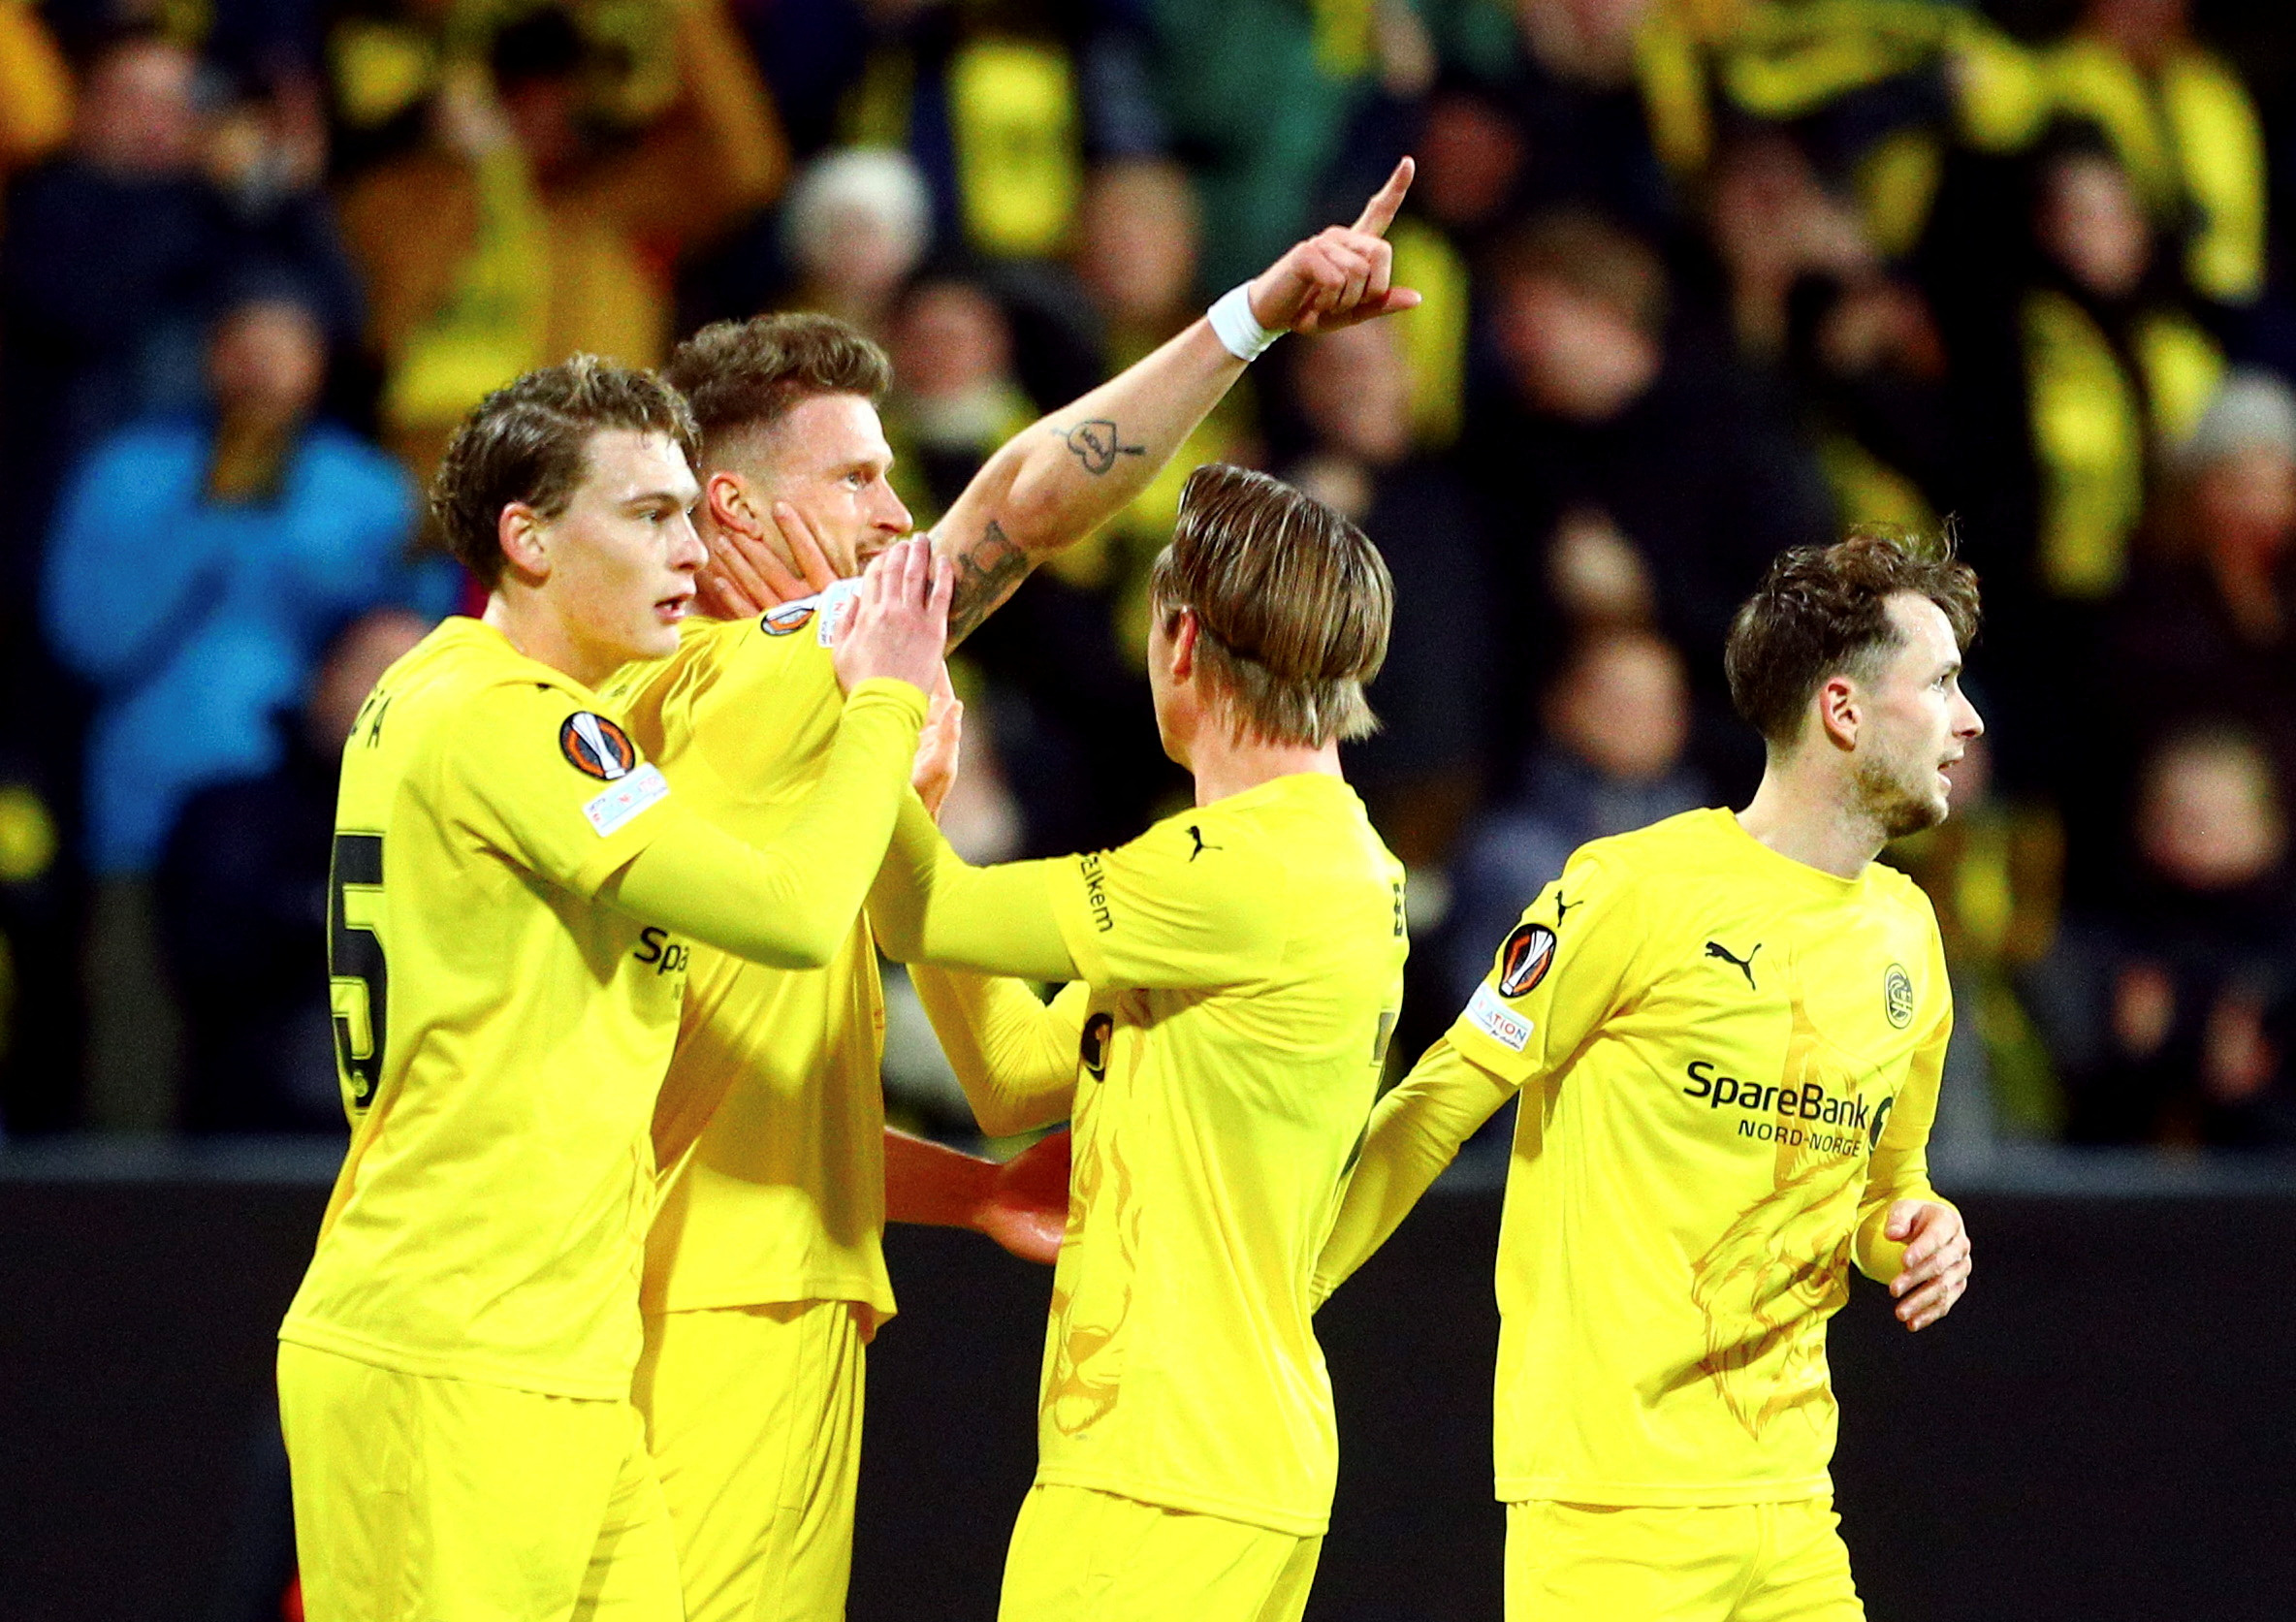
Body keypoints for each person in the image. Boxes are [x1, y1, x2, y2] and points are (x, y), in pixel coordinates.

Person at [608, 158, 1421, 1622]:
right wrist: (1247, 318)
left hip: (775, 1286)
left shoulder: (773, 717)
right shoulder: (764, 671)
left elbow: (761, 1090)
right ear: (729, 506)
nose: (893, 512)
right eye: (857, 476)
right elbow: (1030, 505)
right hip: (715, 1315)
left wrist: (973, 1191)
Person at [274, 355, 949, 1622]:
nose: (691, 550)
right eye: (647, 515)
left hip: (557, 1353)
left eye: (694, 511)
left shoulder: (454, 695)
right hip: (455, 1348)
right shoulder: (511, 722)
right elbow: (795, 914)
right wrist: (886, 703)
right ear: (525, 537)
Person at [1314, 526, 1981, 1621]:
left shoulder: (1908, 933)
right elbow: (1442, 1097)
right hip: (1611, 1506)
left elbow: (1885, 1184)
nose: (1969, 720)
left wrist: (1917, 1227)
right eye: (1943, 683)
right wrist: (1290, 1294)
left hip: (1793, 1503)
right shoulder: (1630, 890)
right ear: (1843, 711)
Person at [868, 463, 1408, 1622]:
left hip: (1165, 1465)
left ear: (1178, 641)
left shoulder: (1241, 870)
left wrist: (864, 720)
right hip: (1212, 1457)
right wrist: (908, 812)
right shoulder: (1306, 860)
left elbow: (920, 915)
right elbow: (1013, 1073)